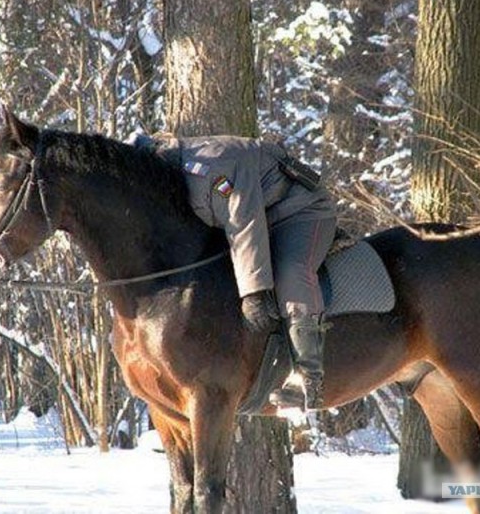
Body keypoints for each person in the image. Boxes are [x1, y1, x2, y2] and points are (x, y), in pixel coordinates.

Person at [138, 134, 336, 411]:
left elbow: (245, 225)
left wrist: (254, 293)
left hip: (300, 212)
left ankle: (307, 379)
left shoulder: (213, 169)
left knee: (291, 273)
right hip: (262, 214)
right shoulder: (175, 176)